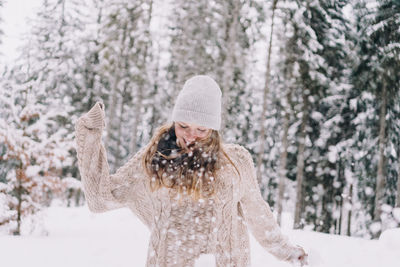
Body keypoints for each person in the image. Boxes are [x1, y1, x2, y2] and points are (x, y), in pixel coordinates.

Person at [75, 75, 308, 267]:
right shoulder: (155, 159)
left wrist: (286, 251)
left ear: (214, 129)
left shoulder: (237, 162)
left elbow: (259, 215)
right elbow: (101, 198)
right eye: (183, 125)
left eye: (201, 129)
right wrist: (90, 136)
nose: (190, 136)